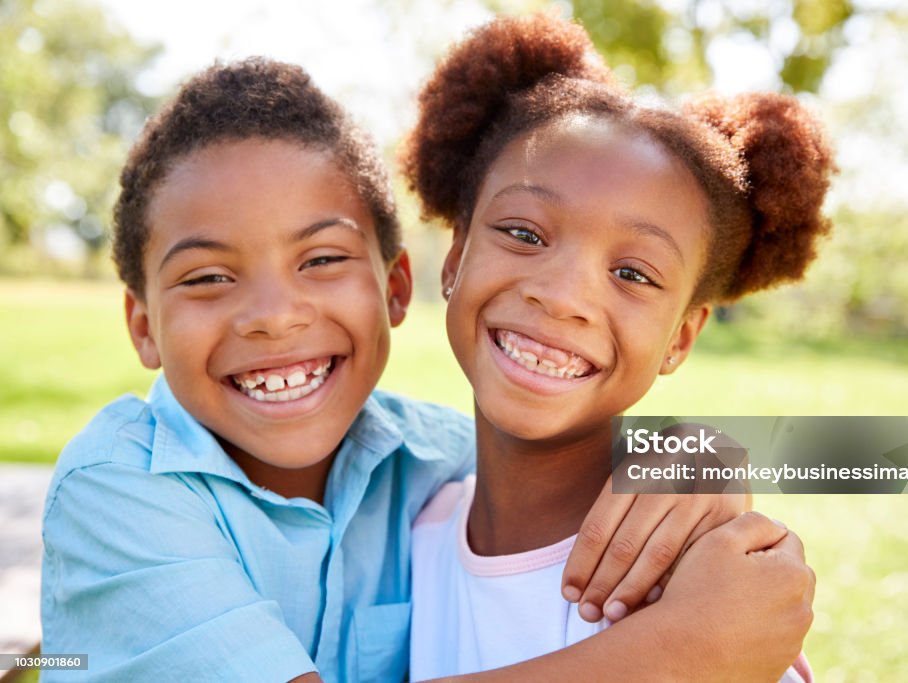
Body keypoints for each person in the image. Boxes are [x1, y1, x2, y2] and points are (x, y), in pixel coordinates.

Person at [41, 57, 813, 682]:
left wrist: (698, 450)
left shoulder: (426, 467)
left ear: (398, 285)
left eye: (321, 259)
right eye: (208, 276)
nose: (272, 316)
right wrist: (688, 652)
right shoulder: (120, 486)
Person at [402, 13, 831, 682]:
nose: (564, 295)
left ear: (681, 337)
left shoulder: (701, 588)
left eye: (633, 273)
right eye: (524, 232)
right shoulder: (409, 526)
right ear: (454, 258)